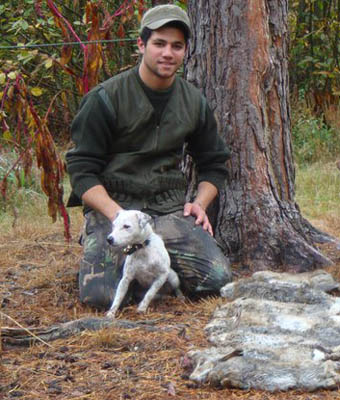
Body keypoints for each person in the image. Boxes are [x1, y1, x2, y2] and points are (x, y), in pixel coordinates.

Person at [65, 4, 232, 309]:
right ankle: (99, 242)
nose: (168, 53)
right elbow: (81, 169)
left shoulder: (193, 102)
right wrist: (117, 218)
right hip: (114, 209)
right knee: (100, 297)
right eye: (159, 43)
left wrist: (200, 204)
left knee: (216, 279)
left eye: (177, 46)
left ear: (184, 52)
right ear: (141, 45)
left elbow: (214, 163)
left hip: (166, 210)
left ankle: (158, 263)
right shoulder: (105, 99)